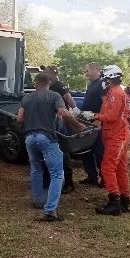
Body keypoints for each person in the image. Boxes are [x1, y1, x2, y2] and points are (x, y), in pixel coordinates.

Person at [17, 72, 86, 222]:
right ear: (48, 82)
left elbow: (20, 119)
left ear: (35, 84)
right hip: (46, 137)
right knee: (56, 174)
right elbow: (64, 114)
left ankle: (38, 201)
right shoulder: (54, 96)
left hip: (29, 138)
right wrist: (79, 125)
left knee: (36, 169)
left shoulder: (27, 97)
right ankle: (50, 211)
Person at [91, 65, 130, 216]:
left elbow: (112, 116)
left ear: (111, 78)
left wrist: (94, 116)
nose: (104, 80)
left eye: (105, 78)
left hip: (117, 135)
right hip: (117, 134)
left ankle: (114, 202)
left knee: (107, 168)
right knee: (120, 168)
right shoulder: (114, 92)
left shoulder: (116, 93)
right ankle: (124, 200)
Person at [41, 66, 77, 194]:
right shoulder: (45, 85)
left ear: (52, 74)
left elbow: (68, 98)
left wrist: (75, 109)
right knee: (46, 152)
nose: (44, 73)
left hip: (61, 123)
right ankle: (47, 180)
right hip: (49, 123)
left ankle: (69, 182)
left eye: (46, 71)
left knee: (63, 152)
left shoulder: (59, 86)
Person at [80, 62, 105, 186]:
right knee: (86, 149)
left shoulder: (101, 84)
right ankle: (91, 176)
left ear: (96, 69)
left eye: (87, 71)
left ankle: (104, 178)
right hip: (87, 122)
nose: (86, 73)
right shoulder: (91, 85)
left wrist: (99, 119)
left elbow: (105, 104)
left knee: (99, 150)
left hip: (96, 123)